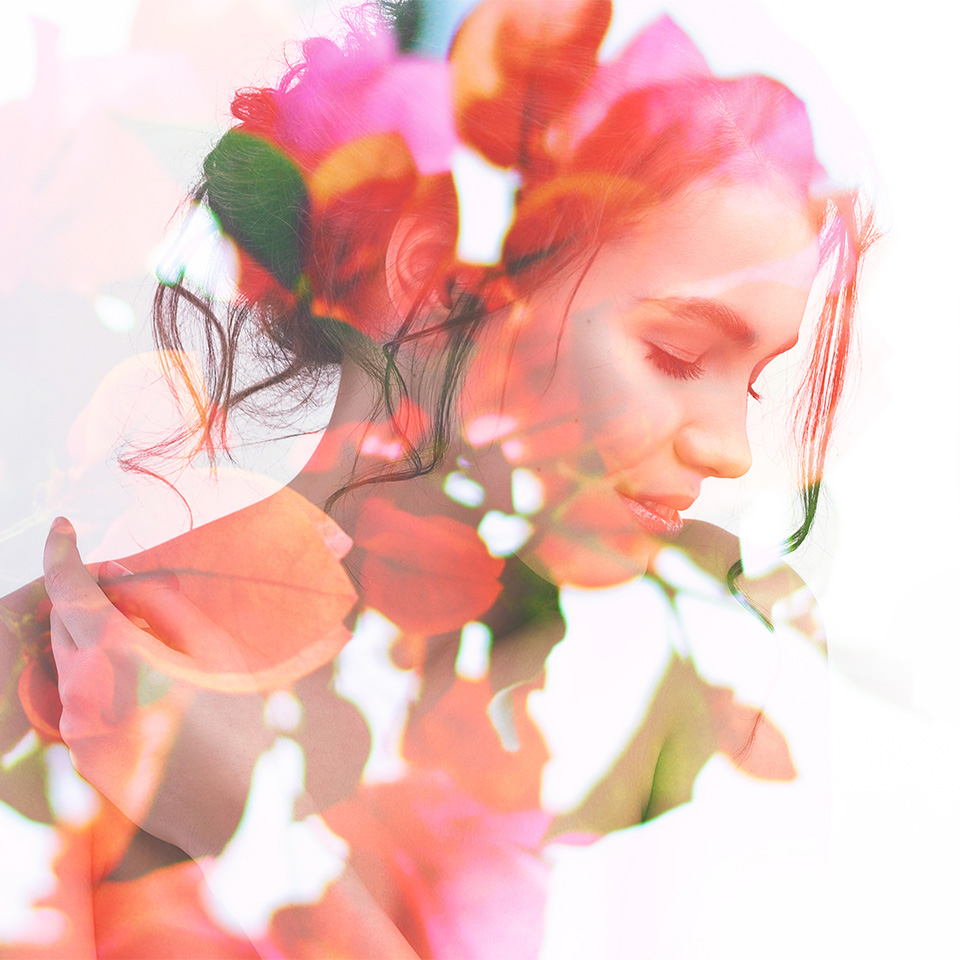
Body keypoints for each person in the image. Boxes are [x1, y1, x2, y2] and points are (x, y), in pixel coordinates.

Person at [0, 0, 873, 956]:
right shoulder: (64, 681)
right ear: (430, 282)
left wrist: (243, 841)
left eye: (752, 381)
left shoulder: (626, 724)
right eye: (673, 352)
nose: (733, 449)